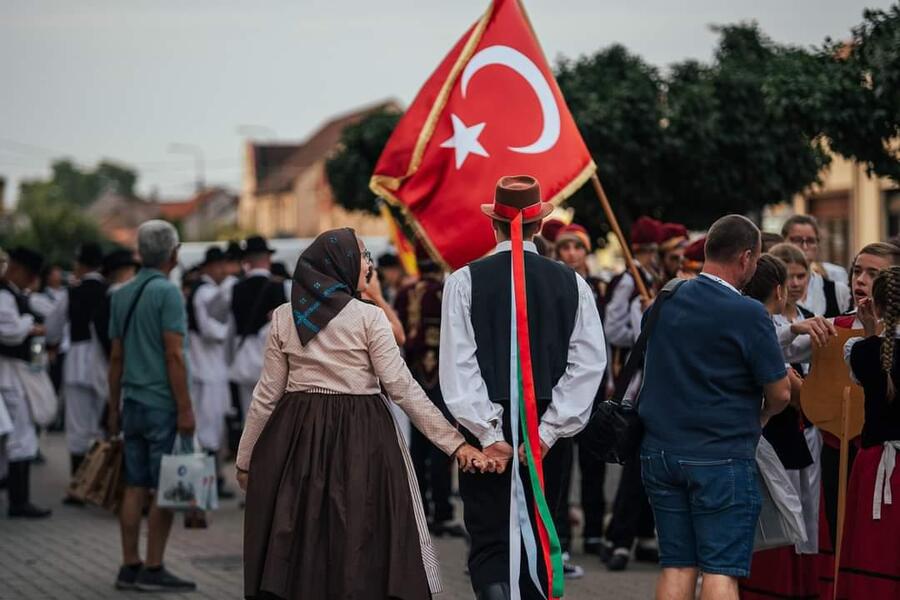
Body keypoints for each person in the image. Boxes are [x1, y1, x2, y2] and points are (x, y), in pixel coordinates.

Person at [236, 228, 490, 600]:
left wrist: (246, 459)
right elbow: (402, 389)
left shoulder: (284, 317)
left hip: (298, 432)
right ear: (340, 264)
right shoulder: (370, 318)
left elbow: (266, 396)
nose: (368, 264)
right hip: (361, 432)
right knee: (359, 527)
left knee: (307, 528)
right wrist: (455, 445)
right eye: (363, 256)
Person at [440, 175, 607, 599]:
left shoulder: (463, 281)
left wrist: (490, 434)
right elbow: (588, 365)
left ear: (494, 224)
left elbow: (458, 368)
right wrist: (549, 432)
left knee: (490, 534)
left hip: (485, 431)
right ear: (538, 226)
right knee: (540, 520)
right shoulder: (573, 283)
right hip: (546, 430)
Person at [639, 215, 791, 600]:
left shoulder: (667, 298)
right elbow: (781, 393)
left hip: (660, 450)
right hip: (721, 455)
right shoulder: (749, 313)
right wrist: (764, 415)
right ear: (745, 258)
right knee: (720, 571)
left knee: (676, 564)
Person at [107, 220, 196, 592]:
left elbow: (115, 357)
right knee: (163, 487)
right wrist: (185, 408)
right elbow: (174, 355)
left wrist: (113, 407)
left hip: (132, 401)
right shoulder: (168, 293)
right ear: (173, 253)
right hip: (162, 402)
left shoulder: (121, 293)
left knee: (134, 484)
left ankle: (129, 564)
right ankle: (154, 567)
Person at [739, 254, 820, 600]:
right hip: (769, 433)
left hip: (779, 435)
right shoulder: (757, 323)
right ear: (779, 289)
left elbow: (797, 345)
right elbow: (773, 350)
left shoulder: (754, 321)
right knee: (779, 514)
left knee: (791, 510)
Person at [394, 248, 465, 538]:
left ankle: (420, 508)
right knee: (442, 443)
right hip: (443, 375)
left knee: (419, 445)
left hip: (413, 374)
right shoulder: (445, 291)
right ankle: (443, 511)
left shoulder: (404, 293)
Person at [838, 266, 900, 598]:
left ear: (874, 306)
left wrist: (869, 331)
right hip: (883, 465)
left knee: (874, 552)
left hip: (877, 463)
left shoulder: (864, 352)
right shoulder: (872, 351)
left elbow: (872, 365)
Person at [554, 222, 607, 575]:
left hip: (598, 386)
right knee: (560, 465)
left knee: (594, 461)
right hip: (561, 384)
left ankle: (593, 531)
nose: (572, 254)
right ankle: (561, 538)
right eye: (566, 248)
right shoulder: (555, 284)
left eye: (578, 247)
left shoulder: (603, 288)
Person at [46, 243, 108, 496]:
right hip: (104, 363)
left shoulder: (71, 293)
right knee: (104, 425)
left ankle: (79, 486)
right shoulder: (110, 291)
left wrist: (53, 341)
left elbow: (53, 327)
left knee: (77, 427)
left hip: (76, 361)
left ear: (81, 264)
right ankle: (104, 484)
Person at [0, 247, 52, 518]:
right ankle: (19, 501)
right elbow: (8, 334)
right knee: (21, 435)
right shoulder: (4, 296)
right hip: (8, 372)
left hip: (14, 370)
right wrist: (29, 323)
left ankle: (13, 491)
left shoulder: (13, 295)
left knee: (15, 434)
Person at [187, 247, 233, 500]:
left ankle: (209, 485)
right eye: (220, 266)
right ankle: (207, 487)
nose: (224, 271)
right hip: (209, 370)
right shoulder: (208, 293)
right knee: (209, 430)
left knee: (208, 428)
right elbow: (213, 330)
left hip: (204, 368)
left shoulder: (199, 291)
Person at [229, 235, 286, 422]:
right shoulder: (278, 287)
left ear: (247, 261)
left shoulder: (236, 288)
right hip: (271, 356)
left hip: (245, 356)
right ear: (268, 259)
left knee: (250, 412)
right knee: (273, 414)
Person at [782, 215, 851, 317]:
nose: (804, 247)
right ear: (783, 241)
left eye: (810, 241)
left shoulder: (838, 292)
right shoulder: (772, 290)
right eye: (797, 240)